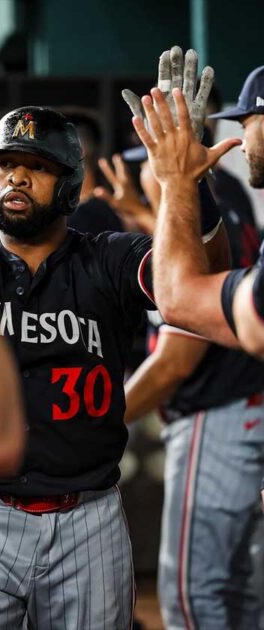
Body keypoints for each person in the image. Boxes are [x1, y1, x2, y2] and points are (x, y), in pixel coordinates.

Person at [0, 33, 222, 627]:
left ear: (69, 186)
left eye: (37, 168)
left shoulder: (108, 258)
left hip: (88, 515)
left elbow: (191, 289)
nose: (16, 179)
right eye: (6, 166)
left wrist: (186, 181)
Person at [121, 165, 264, 629]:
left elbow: (176, 361)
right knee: (240, 585)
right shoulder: (230, 195)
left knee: (192, 592)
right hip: (243, 401)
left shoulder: (200, 196)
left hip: (214, 411)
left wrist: (91, 420)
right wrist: (147, 218)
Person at [138, 60, 264, 356]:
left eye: (248, 125)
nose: (243, 144)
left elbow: (179, 302)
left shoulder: (232, 190)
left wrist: (176, 179)